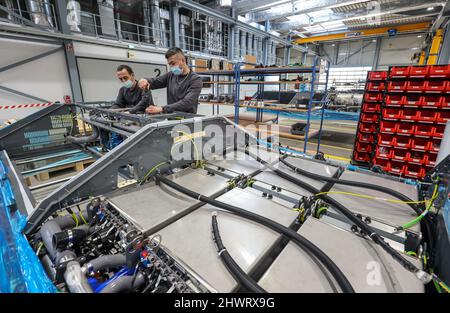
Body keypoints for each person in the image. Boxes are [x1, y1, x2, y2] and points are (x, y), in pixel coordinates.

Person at [138, 47, 203, 114]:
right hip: (171, 118)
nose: (172, 67)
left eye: (173, 63)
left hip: (187, 120)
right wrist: (145, 80)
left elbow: (187, 102)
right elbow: (156, 81)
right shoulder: (171, 75)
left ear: (183, 60)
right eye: (170, 65)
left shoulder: (195, 80)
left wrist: (162, 108)